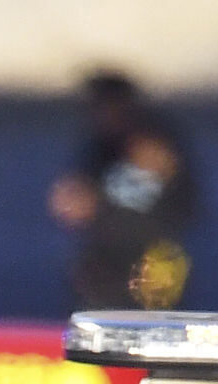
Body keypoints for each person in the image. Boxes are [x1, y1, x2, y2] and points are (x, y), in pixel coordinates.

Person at [48, 70, 198, 311]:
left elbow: (187, 204)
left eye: (107, 106)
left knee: (154, 326)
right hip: (105, 262)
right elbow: (75, 200)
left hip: (151, 260)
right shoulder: (99, 149)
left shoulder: (156, 142)